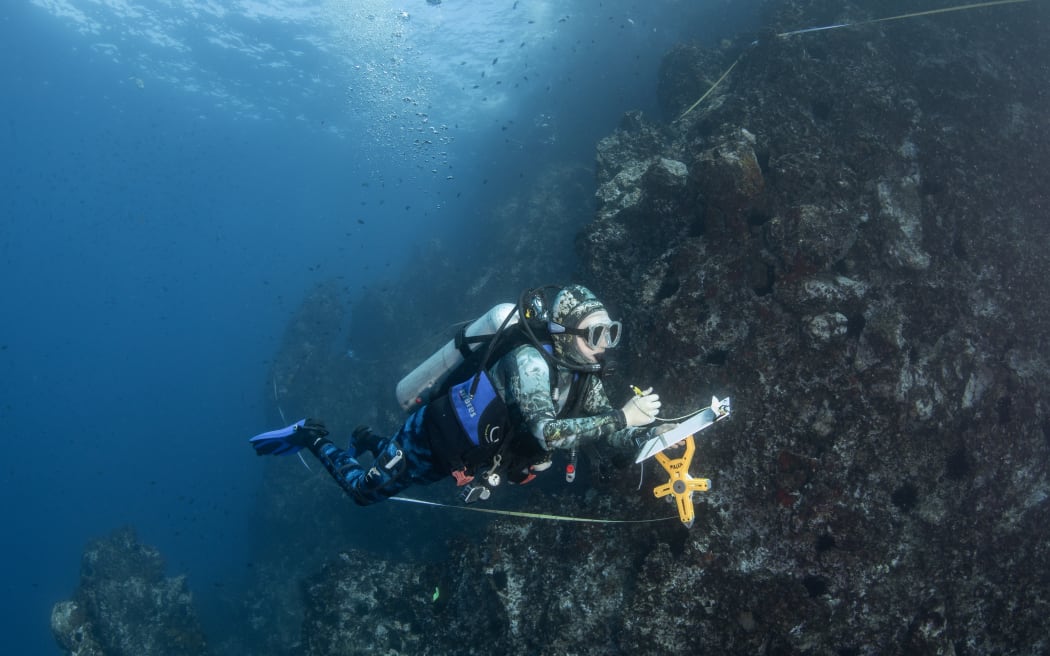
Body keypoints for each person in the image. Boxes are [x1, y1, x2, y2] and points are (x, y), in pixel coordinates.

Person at [249, 285, 663, 505]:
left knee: (418, 478)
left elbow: (602, 424)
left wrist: (646, 435)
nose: (606, 343)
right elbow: (546, 432)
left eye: (611, 332)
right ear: (564, 334)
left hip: (460, 454)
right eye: (596, 333)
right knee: (363, 493)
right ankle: (313, 434)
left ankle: (366, 439)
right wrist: (625, 418)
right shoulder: (531, 363)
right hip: (426, 437)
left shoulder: (583, 373)